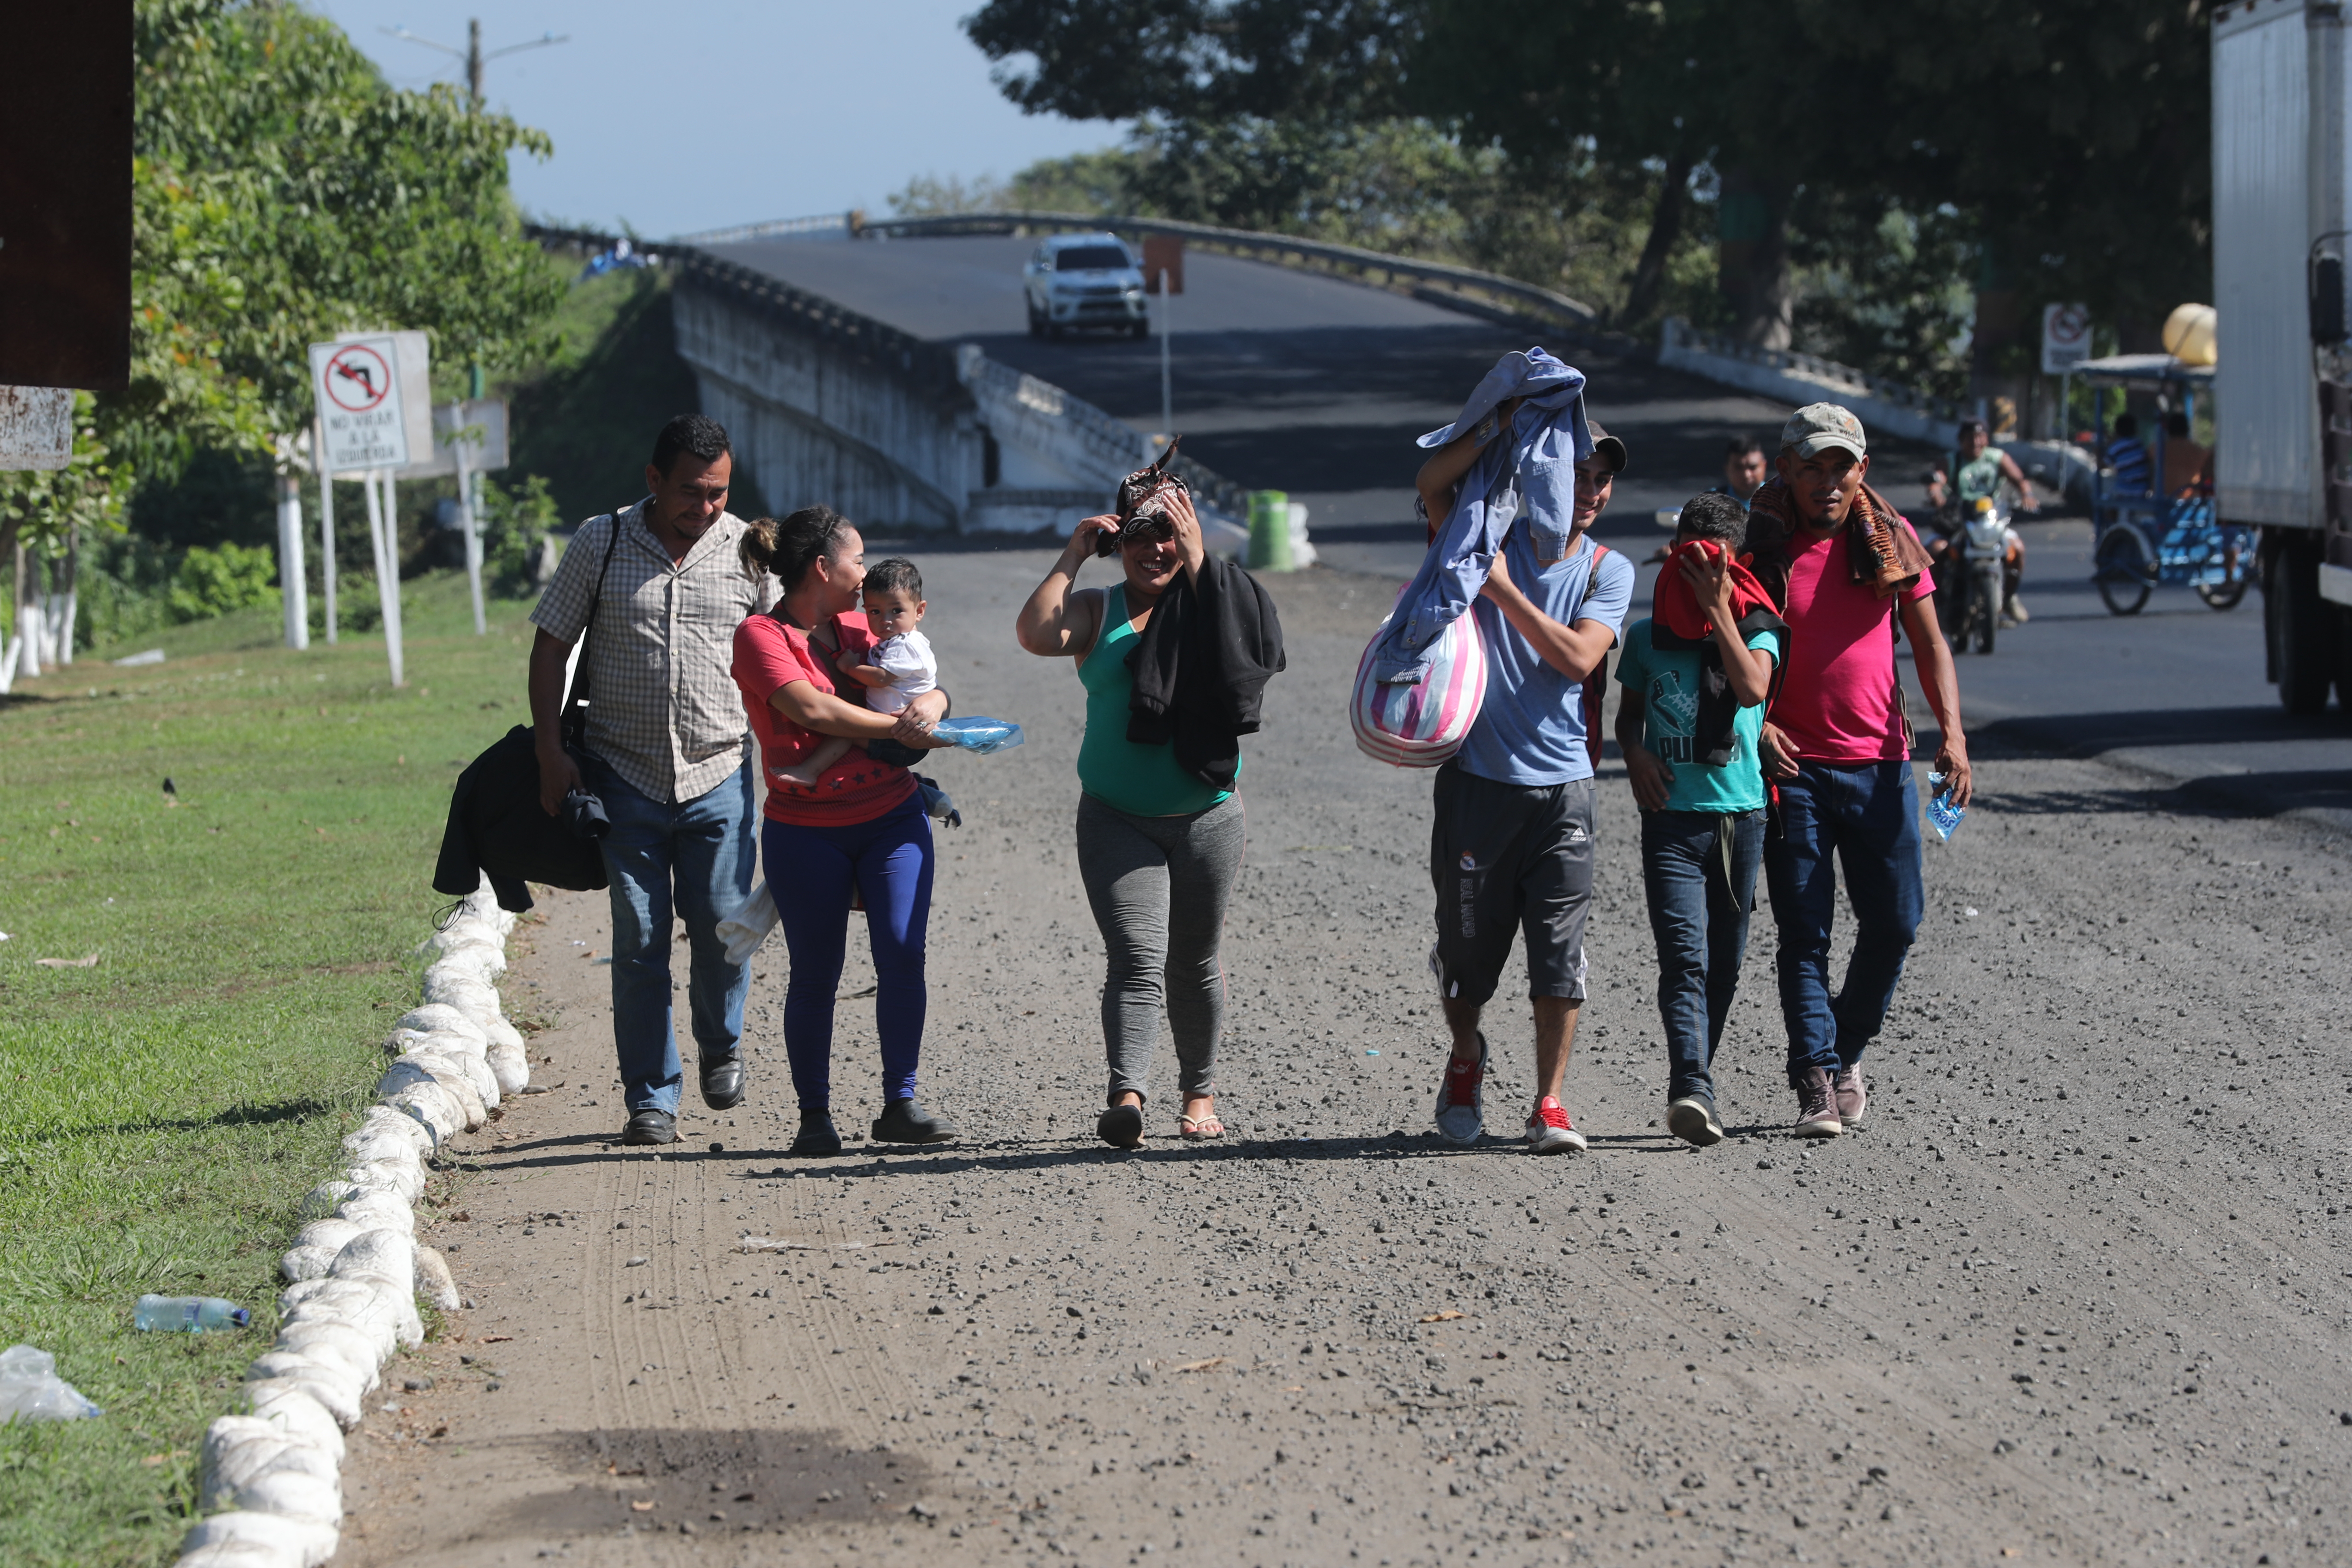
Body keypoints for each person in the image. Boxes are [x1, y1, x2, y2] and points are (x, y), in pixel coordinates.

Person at [527, 413, 775, 1147]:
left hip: (719, 773)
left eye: (719, 493)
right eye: (692, 493)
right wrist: (550, 752)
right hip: (621, 773)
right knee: (638, 937)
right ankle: (651, 1096)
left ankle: (720, 1041)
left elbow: (789, 653)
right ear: (653, 481)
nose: (706, 508)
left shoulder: (748, 555)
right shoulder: (600, 541)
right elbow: (550, 647)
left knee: (725, 928)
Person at [1013, 485, 1265, 1148]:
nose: (1154, 551)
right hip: (1115, 816)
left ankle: (1199, 1094)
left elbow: (1252, 657)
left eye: (1167, 535)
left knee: (1195, 960)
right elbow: (1036, 632)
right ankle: (1127, 1094)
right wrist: (1073, 554)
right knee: (1135, 955)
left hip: (1208, 815)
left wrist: (1200, 558)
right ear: (1117, 544)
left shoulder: (1220, 597)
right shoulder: (1099, 610)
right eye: (1137, 537)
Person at [1744, 404, 1972, 1139]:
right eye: (1811, 467)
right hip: (1793, 771)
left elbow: (1930, 644)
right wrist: (1760, 725)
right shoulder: (1758, 548)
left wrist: (1954, 737)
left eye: (1840, 466)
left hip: (1879, 766)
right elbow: (1720, 653)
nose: (1827, 482)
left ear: (1861, 470)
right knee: (1803, 930)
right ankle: (1815, 1073)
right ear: (1785, 469)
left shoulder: (1889, 543)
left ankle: (1844, 1049)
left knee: (1897, 921)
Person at [1413, 415, 1636, 1154]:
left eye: (1602, 477)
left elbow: (1577, 658)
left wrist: (1501, 590)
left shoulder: (1609, 569)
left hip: (1565, 789)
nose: (1591, 490)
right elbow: (1433, 484)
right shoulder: (1483, 537)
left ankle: (1549, 1101)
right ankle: (1467, 1056)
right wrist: (1503, 426)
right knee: (1466, 961)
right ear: (1540, 475)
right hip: (1478, 786)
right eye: (1575, 472)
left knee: (1559, 954)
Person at [732, 508, 960, 1156]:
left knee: (901, 952)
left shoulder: (871, 622)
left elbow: (926, 678)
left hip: (892, 816)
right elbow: (810, 707)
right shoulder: (760, 635)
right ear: (825, 568)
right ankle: (814, 1117)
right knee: (815, 974)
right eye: (857, 561)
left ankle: (901, 1104)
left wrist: (935, 708)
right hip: (807, 832)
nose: (867, 575)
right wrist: (904, 730)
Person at [1613, 493, 1785, 1147]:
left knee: (1725, 964)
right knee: (1684, 958)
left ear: (1735, 561)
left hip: (1740, 821)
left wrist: (1719, 609)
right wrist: (1633, 754)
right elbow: (1629, 714)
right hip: (1671, 822)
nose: (1694, 567)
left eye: (1711, 560)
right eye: (1686, 555)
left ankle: (1697, 1074)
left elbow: (1751, 690)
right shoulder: (1648, 635)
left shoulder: (1760, 626)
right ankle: (1692, 1086)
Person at [777, 556, 936, 786]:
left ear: (919, 611)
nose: (886, 621)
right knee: (849, 729)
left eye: (896, 611)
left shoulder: (906, 644)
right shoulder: (893, 641)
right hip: (898, 731)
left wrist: (851, 667)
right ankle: (925, 791)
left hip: (902, 738)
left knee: (846, 730)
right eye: (875, 612)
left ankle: (809, 771)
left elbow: (882, 678)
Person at [1925, 417, 2038, 623]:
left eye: (1980, 437)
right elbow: (1938, 481)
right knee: (1935, 551)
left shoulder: (1997, 458)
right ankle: (1937, 605)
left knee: (2018, 549)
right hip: (1957, 521)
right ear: (1961, 440)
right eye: (1970, 437)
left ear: (1987, 439)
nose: (1975, 442)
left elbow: (2020, 480)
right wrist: (1936, 494)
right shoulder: (1952, 460)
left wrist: (2027, 495)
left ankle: (2008, 598)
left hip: (1990, 520)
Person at [2162, 411, 2213, 496]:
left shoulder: (2156, 450)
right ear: (2187, 429)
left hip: (2162, 503)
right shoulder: (2201, 453)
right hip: (2192, 504)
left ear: (2168, 429)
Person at [2106, 413, 2153, 496]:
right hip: (2142, 491)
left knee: (2108, 492)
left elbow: (2102, 465)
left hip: (2125, 491)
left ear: (2117, 430)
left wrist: (2098, 449)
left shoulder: (2115, 448)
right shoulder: (2139, 444)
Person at [1714, 436, 1769, 506]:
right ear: (1727, 469)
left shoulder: (1781, 501)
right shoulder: (1712, 502)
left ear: (1764, 466)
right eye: (1738, 468)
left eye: (1753, 468)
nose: (1746, 475)